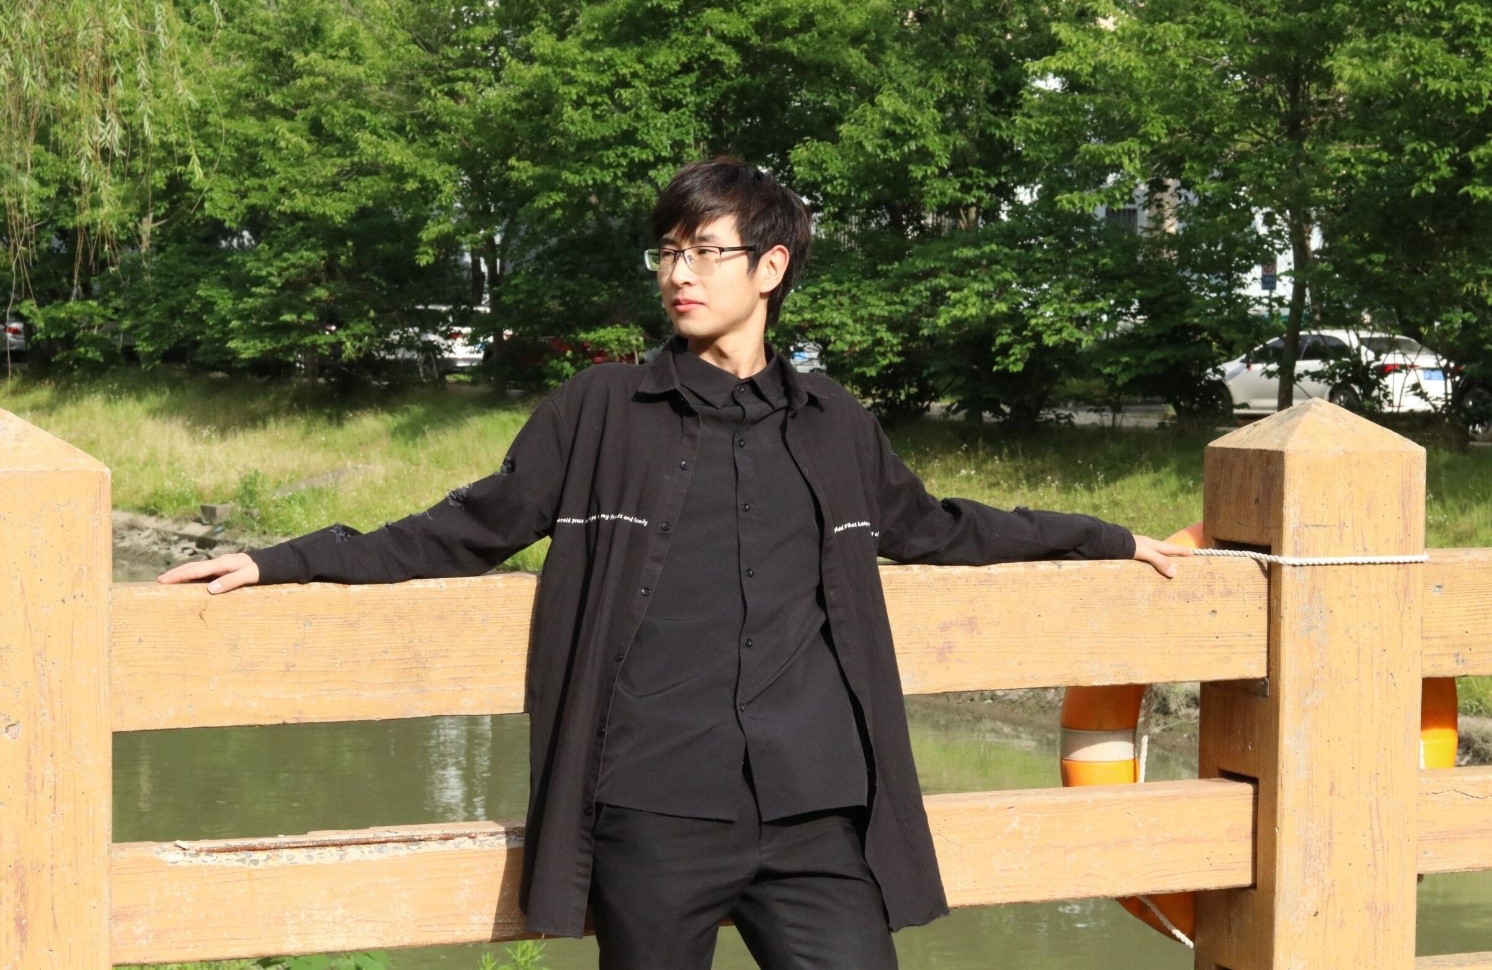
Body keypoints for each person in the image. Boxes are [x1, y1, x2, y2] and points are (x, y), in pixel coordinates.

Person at [160, 156, 1191, 970]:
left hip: (814, 805)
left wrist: (1103, 537)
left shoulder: (833, 422)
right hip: (654, 804)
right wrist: (284, 560)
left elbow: (939, 527)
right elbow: (466, 527)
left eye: (704, 251)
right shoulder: (601, 411)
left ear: (770, 269)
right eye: (668, 251)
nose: (678, 273)